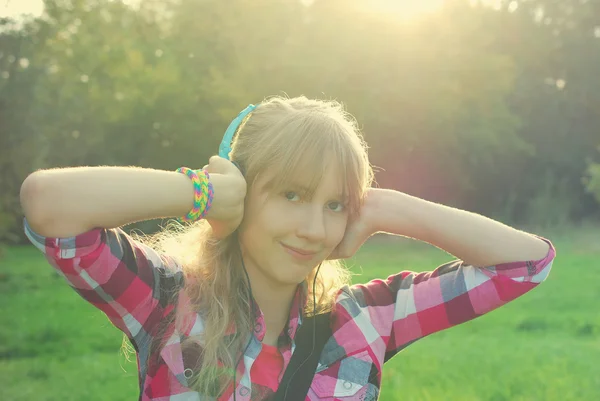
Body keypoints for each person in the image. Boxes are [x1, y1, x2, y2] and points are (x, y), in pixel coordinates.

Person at [20, 96, 555, 401]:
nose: (311, 228)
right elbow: (48, 204)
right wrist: (202, 193)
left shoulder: (368, 319)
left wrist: (387, 208)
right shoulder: (164, 299)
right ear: (243, 191)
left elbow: (526, 264)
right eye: (292, 194)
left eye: (334, 204)